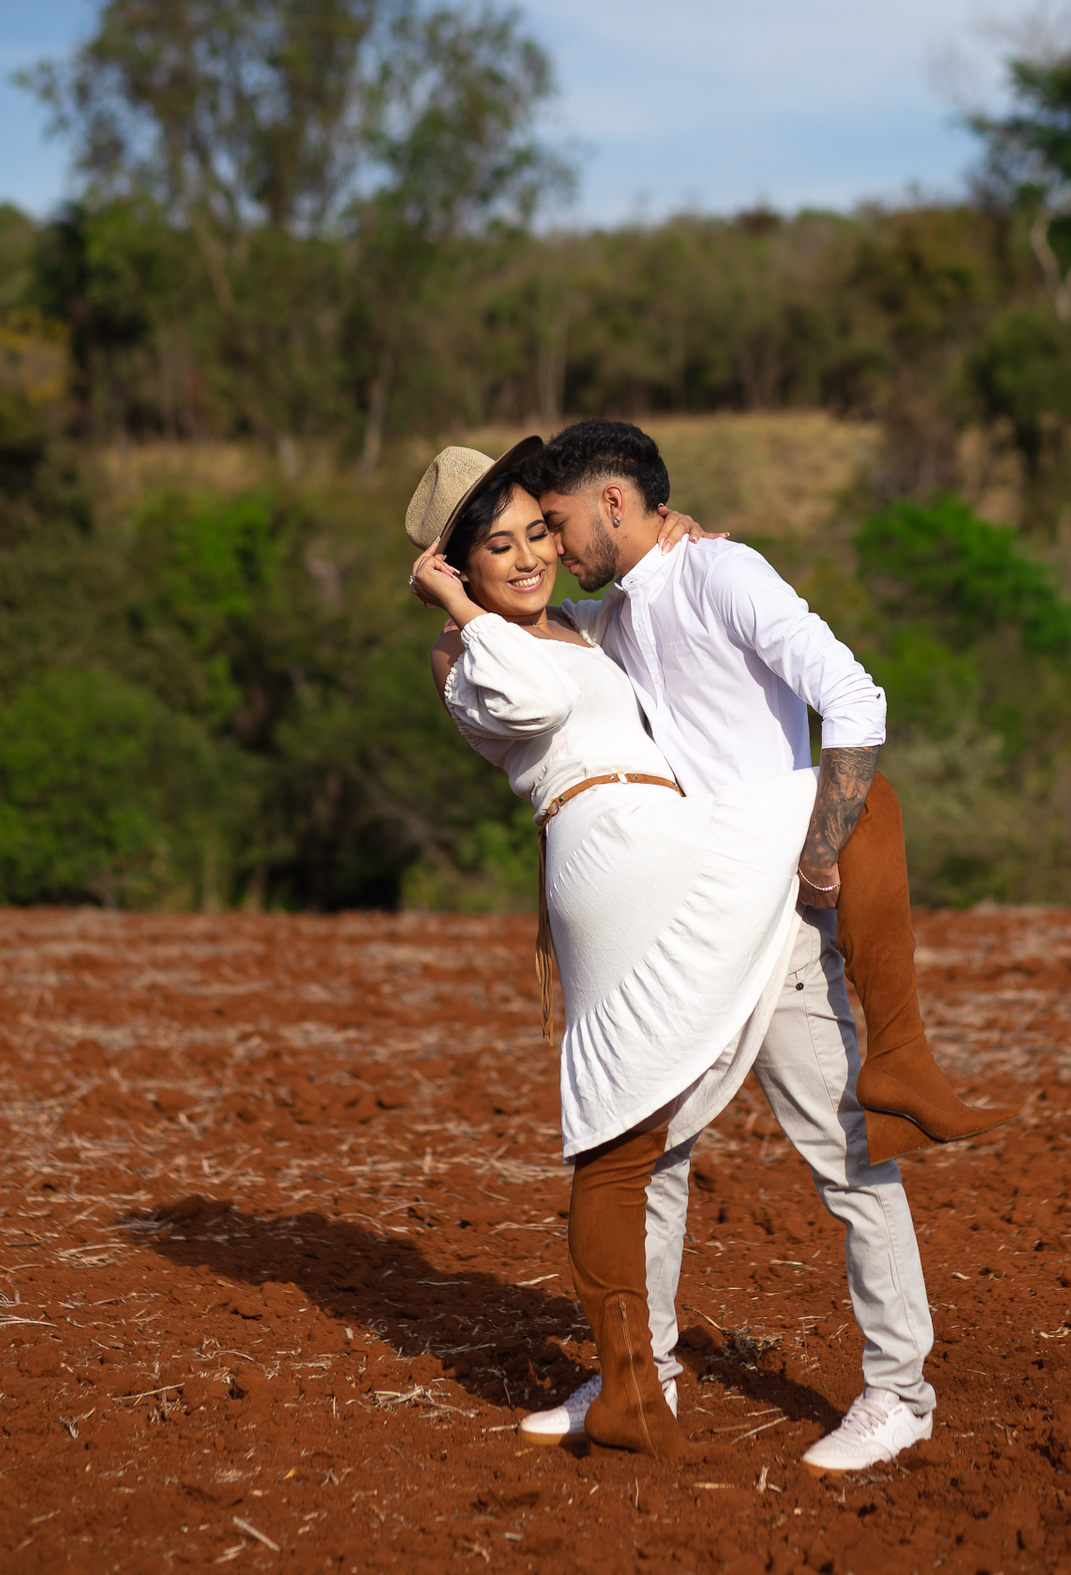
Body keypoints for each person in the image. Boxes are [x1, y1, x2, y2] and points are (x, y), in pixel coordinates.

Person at [514, 419, 1018, 1474]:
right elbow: (525, 623)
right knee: (653, 1157)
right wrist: (450, 575)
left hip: (778, 921)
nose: (551, 546)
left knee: (847, 1153)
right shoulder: (615, 614)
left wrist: (823, 850)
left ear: (615, 503)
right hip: (682, 930)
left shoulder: (726, 574)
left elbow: (856, 698)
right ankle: (641, 1375)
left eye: (556, 523)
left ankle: (901, 1394)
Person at [408, 439, 832, 1462]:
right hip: (606, 853)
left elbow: (641, 618)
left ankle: (638, 1377)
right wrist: (456, 610)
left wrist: (673, 544)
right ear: (455, 569)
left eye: (537, 533)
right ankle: (629, 1381)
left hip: (665, 843)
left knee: (651, 1129)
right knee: (619, 1134)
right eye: (498, 548)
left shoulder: (574, 626)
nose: (528, 558)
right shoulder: (467, 657)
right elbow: (539, 703)